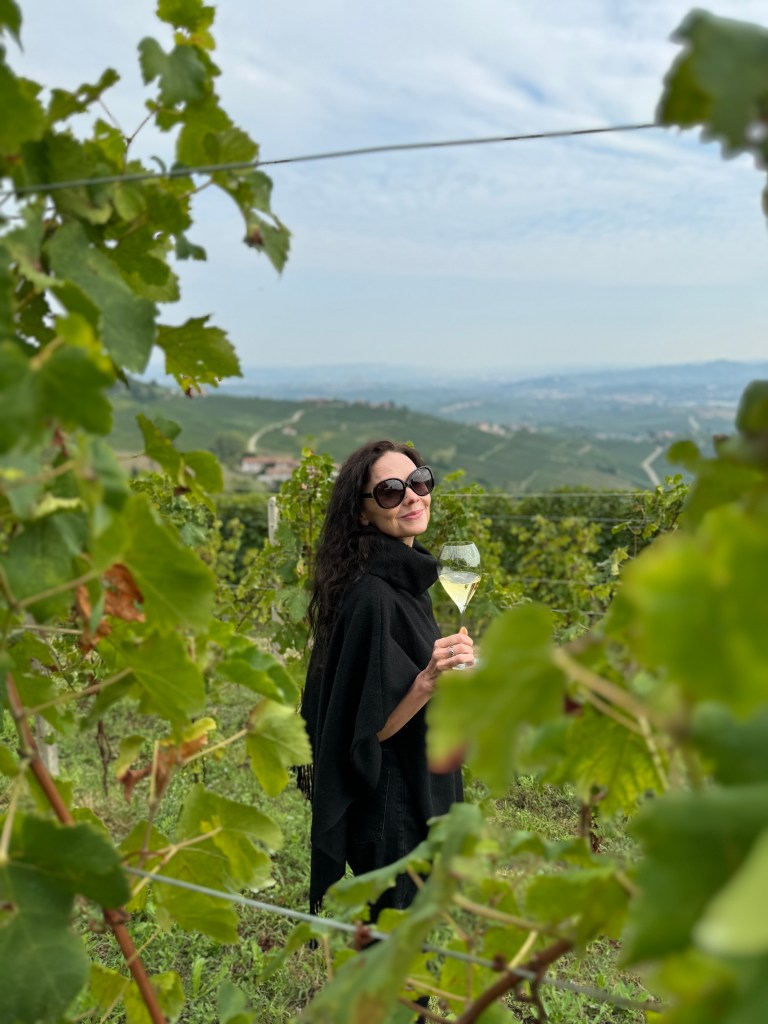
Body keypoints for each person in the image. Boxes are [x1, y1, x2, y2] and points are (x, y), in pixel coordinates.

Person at [300, 439, 474, 922]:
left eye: (419, 481)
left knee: (402, 940)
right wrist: (428, 681)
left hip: (408, 789)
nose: (413, 496)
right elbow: (367, 731)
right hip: (393, 802)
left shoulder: (399, 576)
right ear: (362, 512)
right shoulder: (373, 595)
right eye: (391, 491)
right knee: (397, 944)